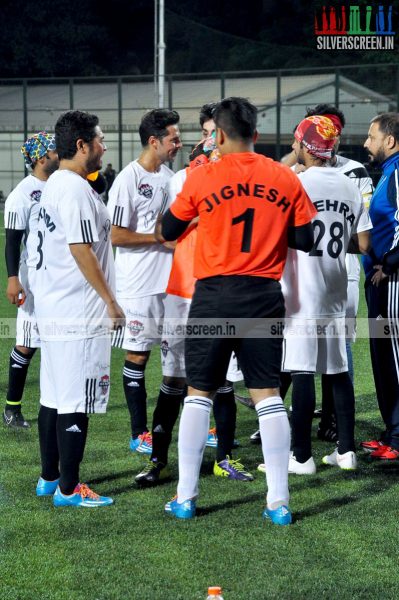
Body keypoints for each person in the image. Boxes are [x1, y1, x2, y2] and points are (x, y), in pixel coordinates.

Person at [157, 96, 316, 525]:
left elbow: (167, 229)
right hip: (264, 296)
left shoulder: (202, 176)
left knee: (199, 394)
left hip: (213, 296)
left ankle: (186, 498)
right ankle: (278, 502)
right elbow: (307, 240)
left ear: (219, 135)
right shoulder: (285, 177)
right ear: (257, 135)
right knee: (267, 395)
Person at [135, 105, 252, 486]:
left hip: (219, 291)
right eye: (204, 133)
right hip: (183, 290)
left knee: (221, 381)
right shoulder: (182, 179)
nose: (208, 140)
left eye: (212, 132)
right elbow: (165, 229)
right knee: (173, 379)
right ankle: (159, 460)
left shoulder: (240, 179)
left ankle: (225, 458)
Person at [33, 110, 125, 507]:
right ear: (81, 145)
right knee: (76, 401)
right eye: (100, 140)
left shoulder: (56, 184)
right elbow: (80, 248)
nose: (104, 146)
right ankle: (70, 490)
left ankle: (49, 478)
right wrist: (110, 300)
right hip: (79, 312)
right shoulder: (72, 189)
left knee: (53, 396)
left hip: (55, 308)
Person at [278, 116, 371, 475]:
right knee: (338, 370)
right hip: (336, 286)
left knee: (302, 372)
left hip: (302, 290)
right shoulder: (349, 185)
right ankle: (346, 451)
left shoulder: (295, 183)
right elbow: (362, 243)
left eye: (297, 141)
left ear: (305, 145)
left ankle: (301, 456)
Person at [107, 109, 182, 455]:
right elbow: (117, 236)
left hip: (171, 284)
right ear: (154, 141)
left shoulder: (172, 177)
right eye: (173, 139)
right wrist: (158, 239)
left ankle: (167, 428)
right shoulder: (127, 179)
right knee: (138, 357)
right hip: (137, 286)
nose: (178, 144)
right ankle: (139, 433)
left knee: (176, 360)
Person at [3, 132, 59, 428]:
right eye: (53, 150)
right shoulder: (22, 194)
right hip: (33, 280)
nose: (59, 153)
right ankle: (12, 408)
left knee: (55, 340)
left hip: (59, 279)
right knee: (27, 343)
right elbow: (12, 242)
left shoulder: (61, 183)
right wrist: (14, 279)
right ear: (40, 159)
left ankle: (56, 401)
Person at [362, 112, 399, 459]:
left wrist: (388, 264)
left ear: (389, 140)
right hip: (379, 282)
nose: (366, 143)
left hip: (392, 282)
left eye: (371, 137)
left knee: (396, 360)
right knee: (384, 360)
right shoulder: (389, 173)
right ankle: (392, 435)